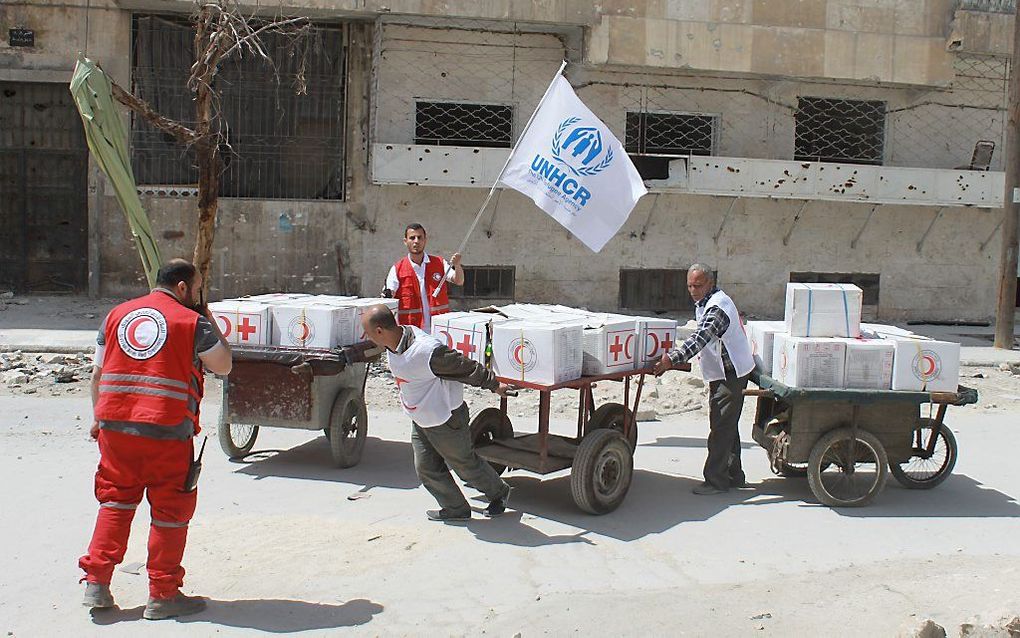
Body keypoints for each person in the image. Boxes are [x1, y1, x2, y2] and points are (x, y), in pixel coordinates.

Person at [79, 259, 232, 619]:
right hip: (166, 434)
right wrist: (206, 315)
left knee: (115, 504)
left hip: (115, 431)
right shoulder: (192, 322)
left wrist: (97, 418)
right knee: (170, 513)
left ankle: (96, 585)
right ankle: (163, 594)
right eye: (196, 291)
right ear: (183, 288)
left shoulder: (117, 315)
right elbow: (223, 365)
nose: (196, 296)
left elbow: (98, 376)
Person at [361, 304, 512, 521]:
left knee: (464, 464)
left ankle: (499, 493)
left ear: (379, 331)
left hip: (445, 418)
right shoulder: (392, 343)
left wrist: (495, 384)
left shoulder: (427, 351)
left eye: (367, 332)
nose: (365, 337)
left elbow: (465, 367)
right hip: (421, 416)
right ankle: (456, 509)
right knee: (426, 467)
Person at [653, 264, 755, 495]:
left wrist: (671, 359)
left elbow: (699, 338)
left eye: (698, 285)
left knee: (720, 426)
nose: (693, 290)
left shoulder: (717, 307)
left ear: (710, 283)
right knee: (727, 425)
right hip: (723, 371)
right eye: (689, 285)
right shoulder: (706, 302)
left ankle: (716, 481)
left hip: (732, 374)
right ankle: (734, 475)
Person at [382, 223, 464, 333]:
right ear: (405, 241)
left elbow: (459, 280)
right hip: (412, 331)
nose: (416, 241)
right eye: (412, 238)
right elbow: (388, 297)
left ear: (425, 240)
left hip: (439, 328)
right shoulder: (397, 269)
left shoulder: (439, 263)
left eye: (419, 237)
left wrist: (457, 265)